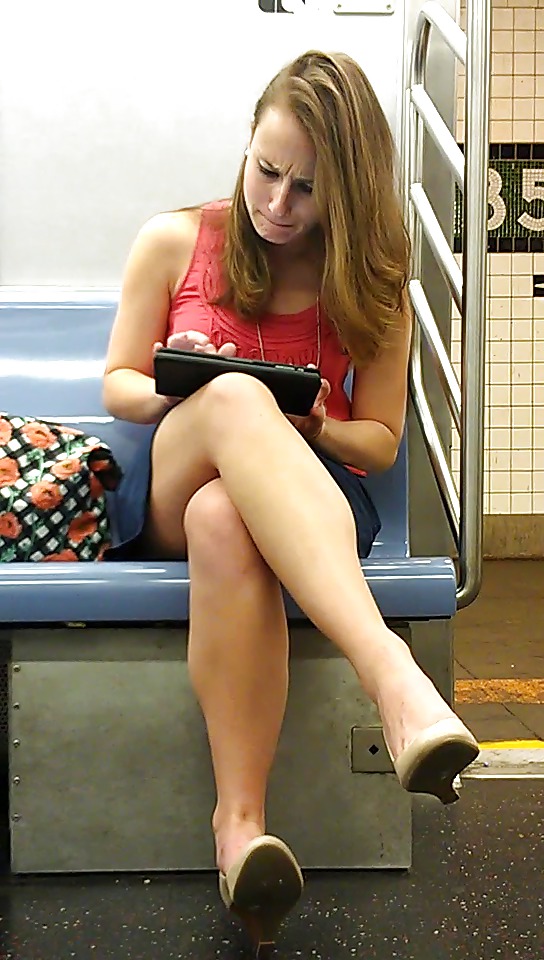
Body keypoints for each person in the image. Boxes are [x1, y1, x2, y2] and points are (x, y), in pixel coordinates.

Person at [103, 50, 479, 949]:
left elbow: (380, 440)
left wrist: (306, 420)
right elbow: (118, 382)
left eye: (306, 189)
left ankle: (240, 832)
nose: (277, 204)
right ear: (247, 149)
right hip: (177, 465)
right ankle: (395, 681)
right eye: (266, 171)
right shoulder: (174, 239)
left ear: (343, 195)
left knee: (226, 515)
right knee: (230, 402)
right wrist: (182, 376)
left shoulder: (374, 281)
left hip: (307, 492)